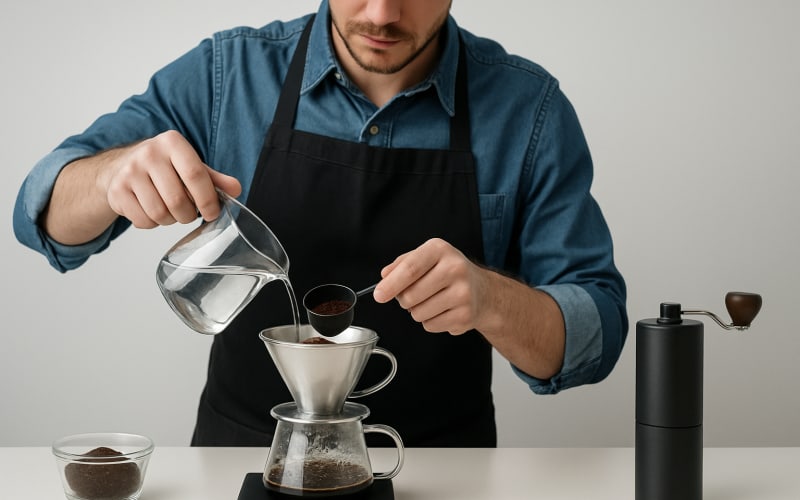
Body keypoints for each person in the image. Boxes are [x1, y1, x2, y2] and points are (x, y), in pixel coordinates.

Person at [13, 0, 627, 447]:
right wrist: (112, 174)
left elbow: (596, 332)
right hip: (241, 459)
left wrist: (493, 298)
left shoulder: (530, 110)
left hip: (444, 472)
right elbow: (41, 213)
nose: (381, 13)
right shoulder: (229, 74)